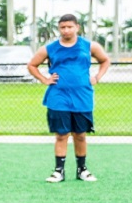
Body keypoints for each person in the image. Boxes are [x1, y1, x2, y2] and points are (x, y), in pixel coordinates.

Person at [27, 13, 111, 183]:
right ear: (59, 29)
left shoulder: (89, 46)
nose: (66, 30)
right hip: (58, 96)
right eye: (62, 27)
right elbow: (32, 65)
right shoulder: (50, 48)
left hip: (83, 96)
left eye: (69, 27)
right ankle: (59, 171)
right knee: (61, 134)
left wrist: (97, 77)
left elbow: (105, 60)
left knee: (80, 134)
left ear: (77, 27)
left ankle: (82, 170)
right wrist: (45, 79)